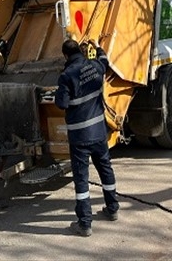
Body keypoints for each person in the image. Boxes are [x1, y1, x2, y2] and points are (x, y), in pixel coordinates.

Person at [55, 38, 119, 237]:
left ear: (65, 55)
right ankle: (113, 208)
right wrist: (97, 45)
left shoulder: (66, 76)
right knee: (105, 169)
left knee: (82, 179)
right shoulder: (95, 66)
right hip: (99, 132)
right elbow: (104, 60)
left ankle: (85, 223)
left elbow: (62, 104)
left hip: (80, 137)